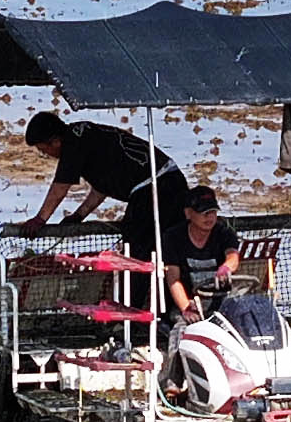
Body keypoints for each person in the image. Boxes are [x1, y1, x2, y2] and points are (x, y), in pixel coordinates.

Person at [15, 111, 190, 245]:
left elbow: (60, 186)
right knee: (162, 240)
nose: (46, 155)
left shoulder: (73, 144)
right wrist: (79, 215)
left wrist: (40, 219)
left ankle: (140, 291)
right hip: (169, 179)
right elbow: (102, 187)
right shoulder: (84, 136)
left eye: (43, 150)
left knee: (138, 244)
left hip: (155, 186)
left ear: (55, 142)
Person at [164, 186, 243, 316]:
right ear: (188, 213)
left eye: (213, 211)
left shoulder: (224, 233)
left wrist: (226, 268)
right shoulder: (173, 237)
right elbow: (173, 278)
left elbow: (232, 256)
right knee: (181, 331)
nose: (209, 217)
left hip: (223, 304)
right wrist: (186, 308)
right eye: (203, 212)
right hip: (189, 305)